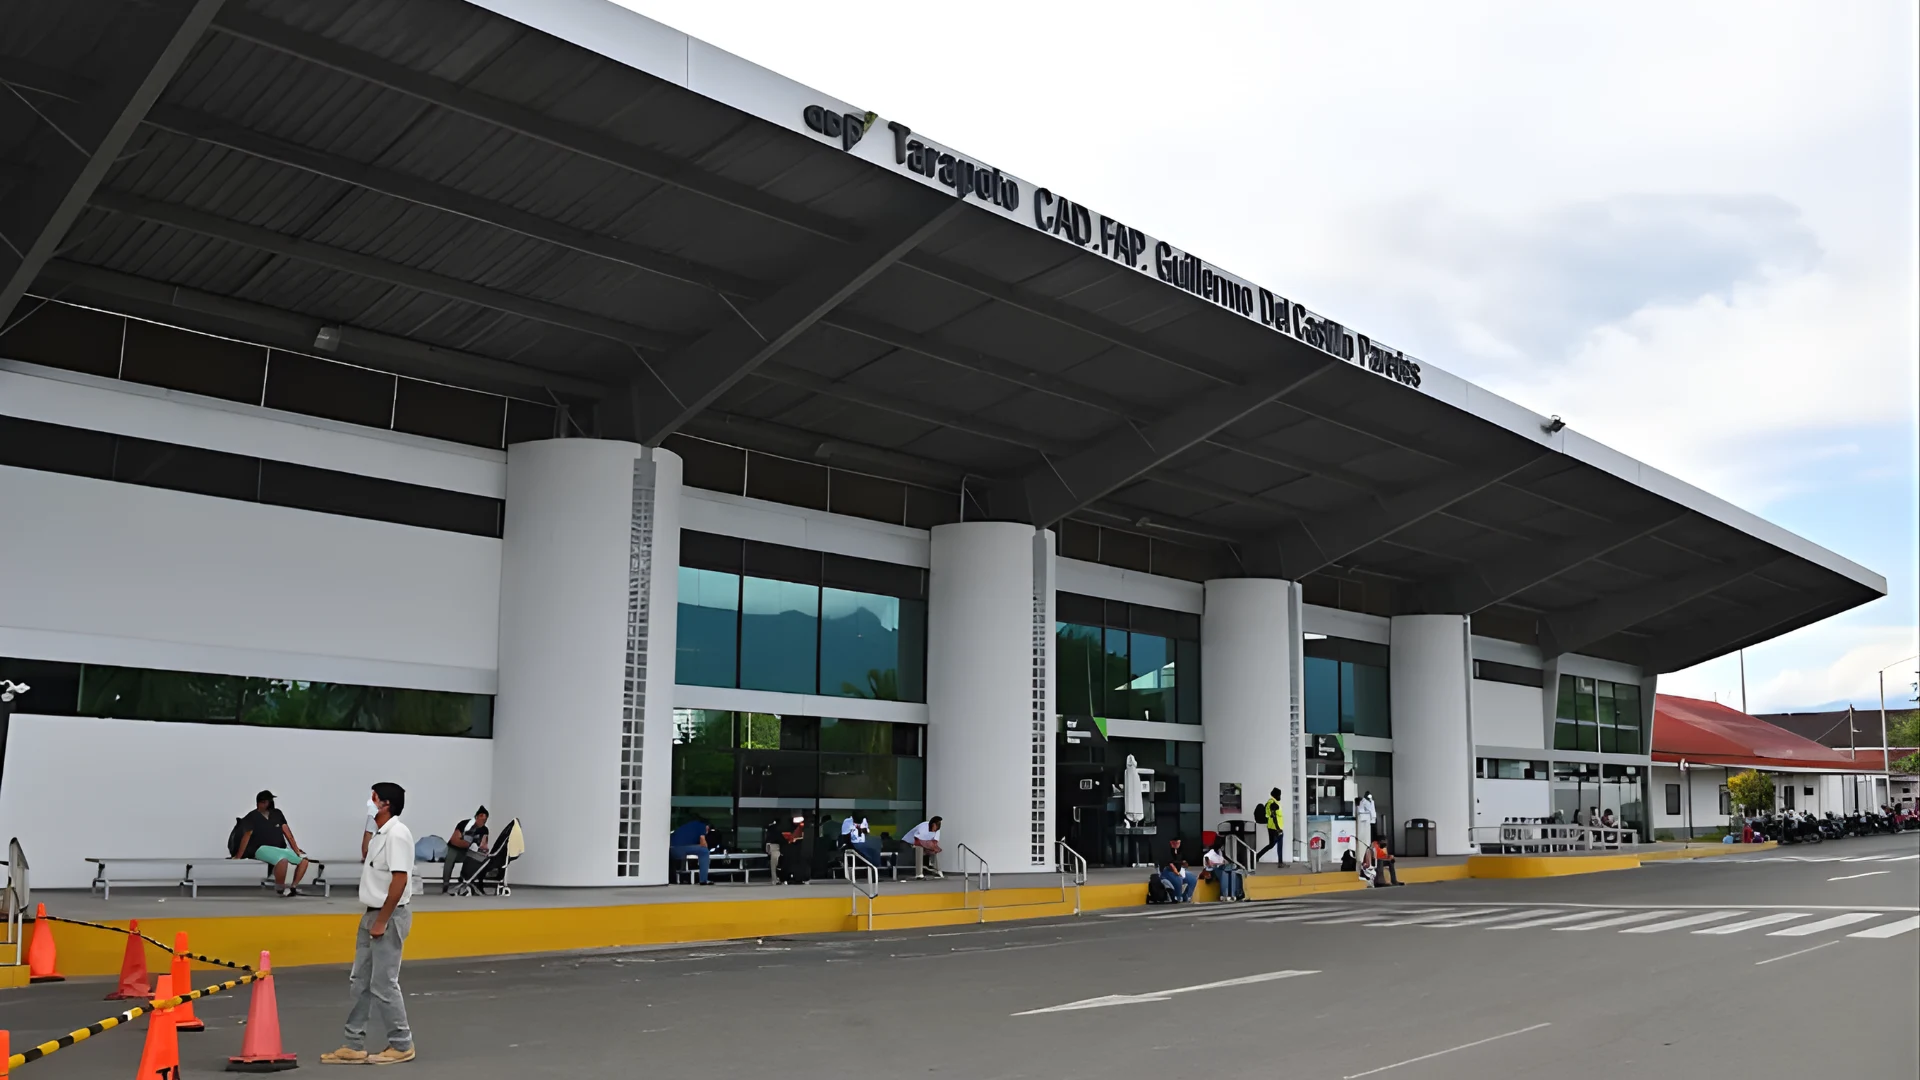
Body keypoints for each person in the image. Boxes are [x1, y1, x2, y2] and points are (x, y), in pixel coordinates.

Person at [322, 783, 415, 1066]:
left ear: (385, 804)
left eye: (373, 798)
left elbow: (400, 880)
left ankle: (402, 1044)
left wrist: (382, 920)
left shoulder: (398, 834)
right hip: (372, 913)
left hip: (388, 915)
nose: (368, 802)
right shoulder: (380, 834)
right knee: (360, 981)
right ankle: (353, 1044)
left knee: (384, 984)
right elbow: (366, 854)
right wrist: (369, 824)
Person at [231, 791, 311, 897]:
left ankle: (293, 887)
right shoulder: (252, 816)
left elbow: (287, 833)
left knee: (304, 861)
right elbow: (246, 836)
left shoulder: (277, 813)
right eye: (264, 802)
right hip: (261, 849)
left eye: (268, 801)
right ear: (259, 803)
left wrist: (296, 849)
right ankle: (280, 888)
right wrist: (238, 856)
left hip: (280, 848)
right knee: (282, 860)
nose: (267, 804)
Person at [440, 807, 490, 893]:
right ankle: (446, 884)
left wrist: (483, 849)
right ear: (476, 817)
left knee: (482, 859)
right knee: (450, 857)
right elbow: (454, 840)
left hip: (469, 851)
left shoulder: (484, 830)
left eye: (484, 820)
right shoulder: (463, 824)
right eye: (481, 819)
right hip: (455, 849)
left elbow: (484, 843)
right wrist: (468, 844)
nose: (482, 822)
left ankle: (476, 883)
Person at [669, 817, 716, 886]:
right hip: (680, 848)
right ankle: (703, 880)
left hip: (672, 849)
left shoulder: (687, 826)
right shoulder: (701, 826)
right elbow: (703, 842)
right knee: (704, 851)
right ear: (707, 826)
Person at [1254, 787, 1287, 867]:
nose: (1280, 796)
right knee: (1279, 844)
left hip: (1272, 827)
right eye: (1279, 795)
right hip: (1275, 828)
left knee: (1271, 844)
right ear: (1276, 795)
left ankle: (1257, 856)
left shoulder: (1271, 802)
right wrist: (1278, 828)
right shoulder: (1273, 803)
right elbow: (1274, 816)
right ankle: (1280, 862)